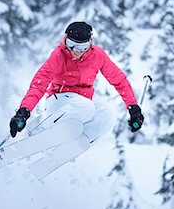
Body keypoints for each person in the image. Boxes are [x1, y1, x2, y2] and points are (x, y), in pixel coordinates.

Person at [9, 21, 144, 147]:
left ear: (90, 43)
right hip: (59, 100)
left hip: (84, 100)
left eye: (82, 47)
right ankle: (39, 132)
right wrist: (24, 111)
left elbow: (119, 80)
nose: (77, 51)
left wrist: (133, 107)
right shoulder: (59, 56)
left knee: (107, 115)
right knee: (86, 107)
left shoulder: (97, 55)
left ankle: (74, 146)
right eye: (72, 45)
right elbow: (39, 84)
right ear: (65, 39)